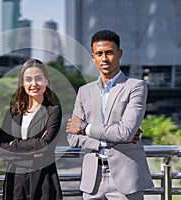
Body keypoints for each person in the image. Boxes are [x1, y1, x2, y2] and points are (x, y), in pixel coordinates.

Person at [66, 29, 153, 200]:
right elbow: (72, 137)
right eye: (99, 54)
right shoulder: (84, 91)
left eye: (109, 53)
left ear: (119, 54)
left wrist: (84, 127)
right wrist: (110, 138)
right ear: (93, 57)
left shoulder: (136, 86)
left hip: (126, 177)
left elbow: (125, 132)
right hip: (93, 179)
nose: (104, 59)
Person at [0, 59, 63, 200]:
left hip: (43, 178)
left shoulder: (53, 111)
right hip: (15, 180)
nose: (34, 84)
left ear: (46, 81)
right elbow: (1, 148)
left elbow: (45, 145)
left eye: (38, 79)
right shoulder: (13, 113)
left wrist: (14, 145)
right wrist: (34, 147)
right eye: (28, 79)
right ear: (22, 83)